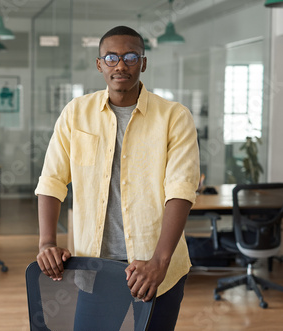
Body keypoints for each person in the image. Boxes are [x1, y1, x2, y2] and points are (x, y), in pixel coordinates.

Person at [35, 25, 200, 330]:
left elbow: (180, 191)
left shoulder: (174, 117)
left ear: (144, 63)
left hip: (157, 267)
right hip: (96, 265)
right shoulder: (76, 113)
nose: (121, 65)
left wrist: (159, 263)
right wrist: (47, 242)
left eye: (130, 56)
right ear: (99, 64)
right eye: (111, 57)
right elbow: (52, 180)